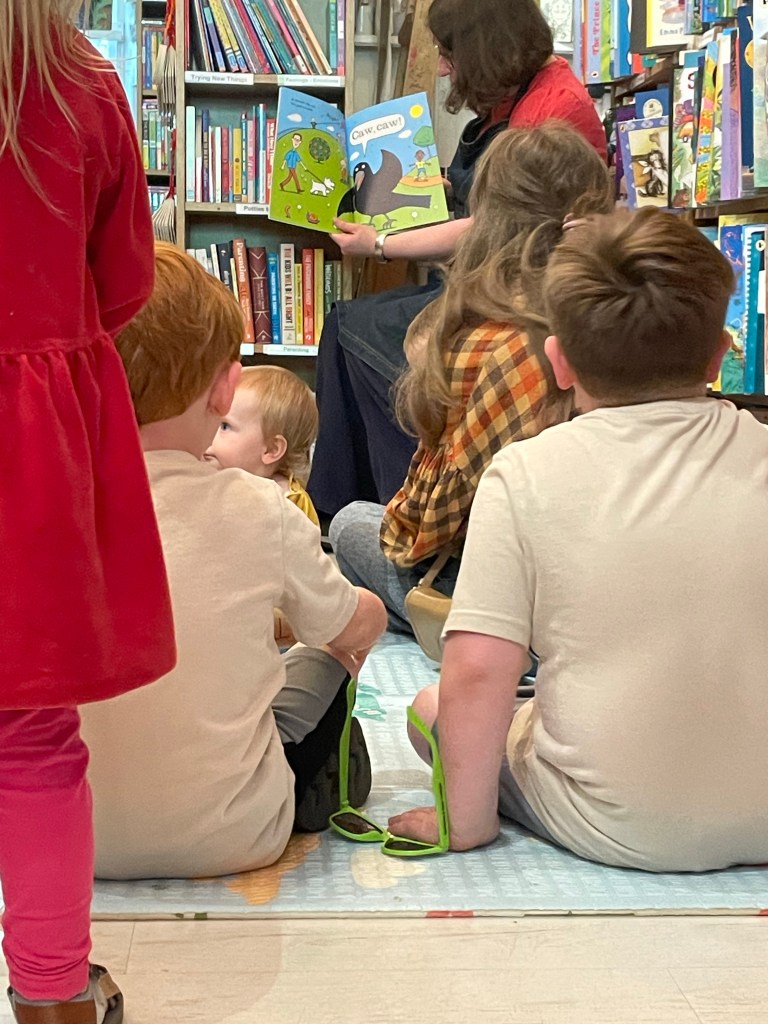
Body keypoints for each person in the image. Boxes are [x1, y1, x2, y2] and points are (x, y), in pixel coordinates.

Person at [388, 207, 768, 873]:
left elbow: (478, 670)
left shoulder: (525, 474)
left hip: (622, 824)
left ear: (559, 361)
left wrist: (464, 824)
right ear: (719, 354)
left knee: (432, 708)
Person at [79, 245, 387, 880]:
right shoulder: (261, 504)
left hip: (69, 837)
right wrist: (370, 612)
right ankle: (320, 781)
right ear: (225, 388)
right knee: (328, 652)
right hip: (238, 836)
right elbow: (347, 628)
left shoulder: (47, 504)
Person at [0, 3, 176, 1022]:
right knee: (30, 739)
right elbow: (123, 284)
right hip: (29, 458)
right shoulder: (83, 86)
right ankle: (53, 999)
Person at [308, 0, 607, 520]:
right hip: (490, 276)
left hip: (519, 296)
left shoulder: (552, 108)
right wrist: (439, 188)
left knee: (359, 333)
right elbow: (491, 206)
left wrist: (378, 244)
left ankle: (390, 506)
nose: (444, 68)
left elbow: (495, 226)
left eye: (449, 54)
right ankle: (344, 508)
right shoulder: (520, 94)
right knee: (346, 326)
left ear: (486, 49)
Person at [330, 123, 612, 633]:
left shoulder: (497, 337)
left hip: (503, 600)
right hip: (590, 579)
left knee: (352, 523)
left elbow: (428, 526)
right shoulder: (606, 314)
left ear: (487, 219)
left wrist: (400, 517)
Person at [206, 364, 320, 526]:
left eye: (225, 426)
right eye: (209, 420)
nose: (208, 433)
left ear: (271, 449)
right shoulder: (208, 480)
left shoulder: (288, 507)